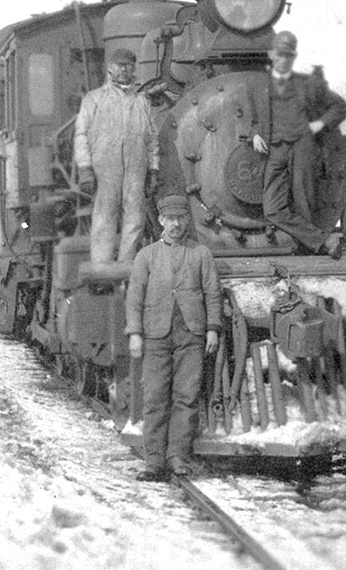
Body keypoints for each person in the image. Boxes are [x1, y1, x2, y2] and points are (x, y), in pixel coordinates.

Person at [125, 195, 221, 481]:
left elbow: (212, 293)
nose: (176, 224)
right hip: (156, 334)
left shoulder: (201, 254)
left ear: (187, 220)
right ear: (162, 221)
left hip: (191, 334)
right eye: (170, 219)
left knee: (186, 397)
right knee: (154, 398)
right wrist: (135, 333)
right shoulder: (147, 256)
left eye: (181, 218)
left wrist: (212, 328)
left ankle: (177, 455)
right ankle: (153, 460)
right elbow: (134, 297)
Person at [245, 30, 346, 257]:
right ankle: (324, 241)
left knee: (304, 201)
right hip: (274, 149)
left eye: (289, 56)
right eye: (280, 55)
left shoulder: (307, 85)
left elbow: (340, 106)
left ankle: (308, 250)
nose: (284, 60)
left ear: (293, 58)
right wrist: (255, 135)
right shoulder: (258, 86)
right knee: (272, 209)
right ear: (271, 54)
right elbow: (254, 120)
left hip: (302, 146)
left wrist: (321, 123)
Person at [74, 47, 158, 263]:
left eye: (128, 65)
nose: (123, 69)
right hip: (106, 169)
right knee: (104, 217)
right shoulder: (94, 100)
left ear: (133, 69)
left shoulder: (141, 102)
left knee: (135, 218)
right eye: (119, 65)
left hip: (136, 168)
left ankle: (126, 267)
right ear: (110, 68)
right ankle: (101, 269)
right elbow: (81, 135)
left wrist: (154, 169)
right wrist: (85, 168)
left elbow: (151, 139)